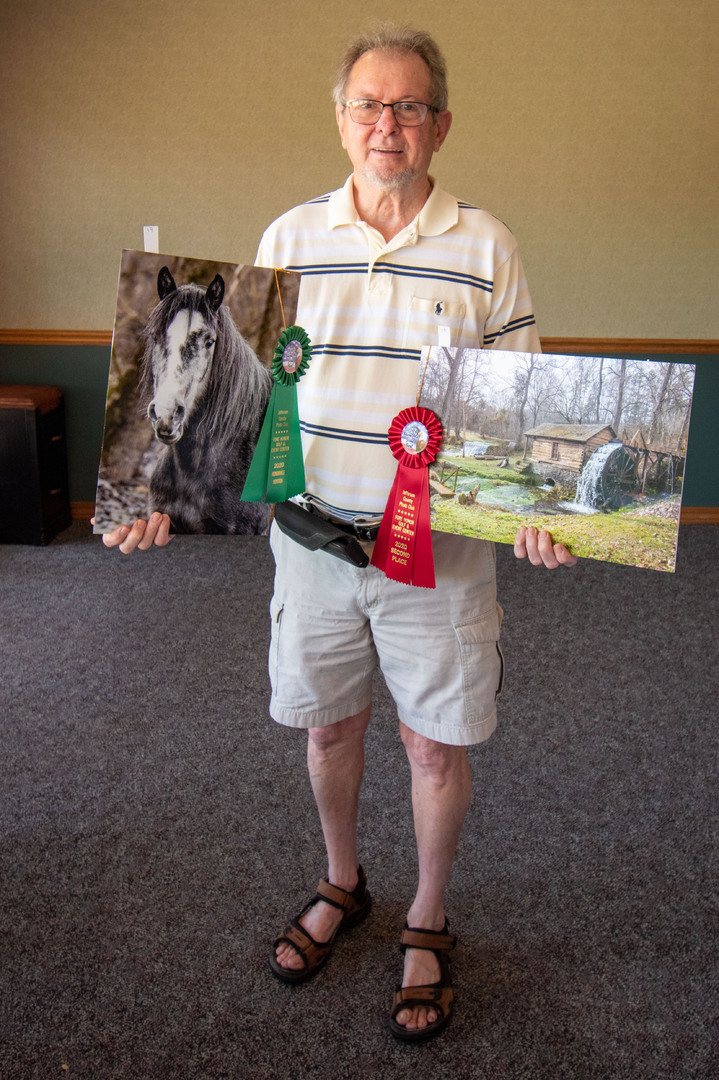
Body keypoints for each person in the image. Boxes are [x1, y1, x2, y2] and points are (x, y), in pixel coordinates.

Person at [102, 24, 577, 1043]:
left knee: (432, 747)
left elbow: (518, 412)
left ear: (439, 125)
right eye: (367, 104)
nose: (385, 124)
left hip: (438, 556)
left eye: (407, 106)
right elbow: (242, 407)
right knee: (327, 728)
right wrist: (164, 501)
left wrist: (536, 515)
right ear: (340, 118)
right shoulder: (286, 240)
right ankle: (342, 880)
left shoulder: (487, 247)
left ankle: (427, 915)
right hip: (311, 546)